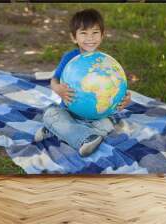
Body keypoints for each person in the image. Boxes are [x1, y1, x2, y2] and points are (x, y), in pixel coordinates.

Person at [35, 8, 131, 157]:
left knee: (108, 125)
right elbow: (54, 80)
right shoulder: (69, 58)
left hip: (98, 115)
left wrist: (125, 99)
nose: (90, 38)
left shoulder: (105, 62)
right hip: (69, 111)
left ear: (102, 35)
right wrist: (58, 89)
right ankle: (84, 136)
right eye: (83, 33)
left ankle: (58, 131)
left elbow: (118, 87)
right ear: (74, 37)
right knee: (51, 114)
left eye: (95, 33)